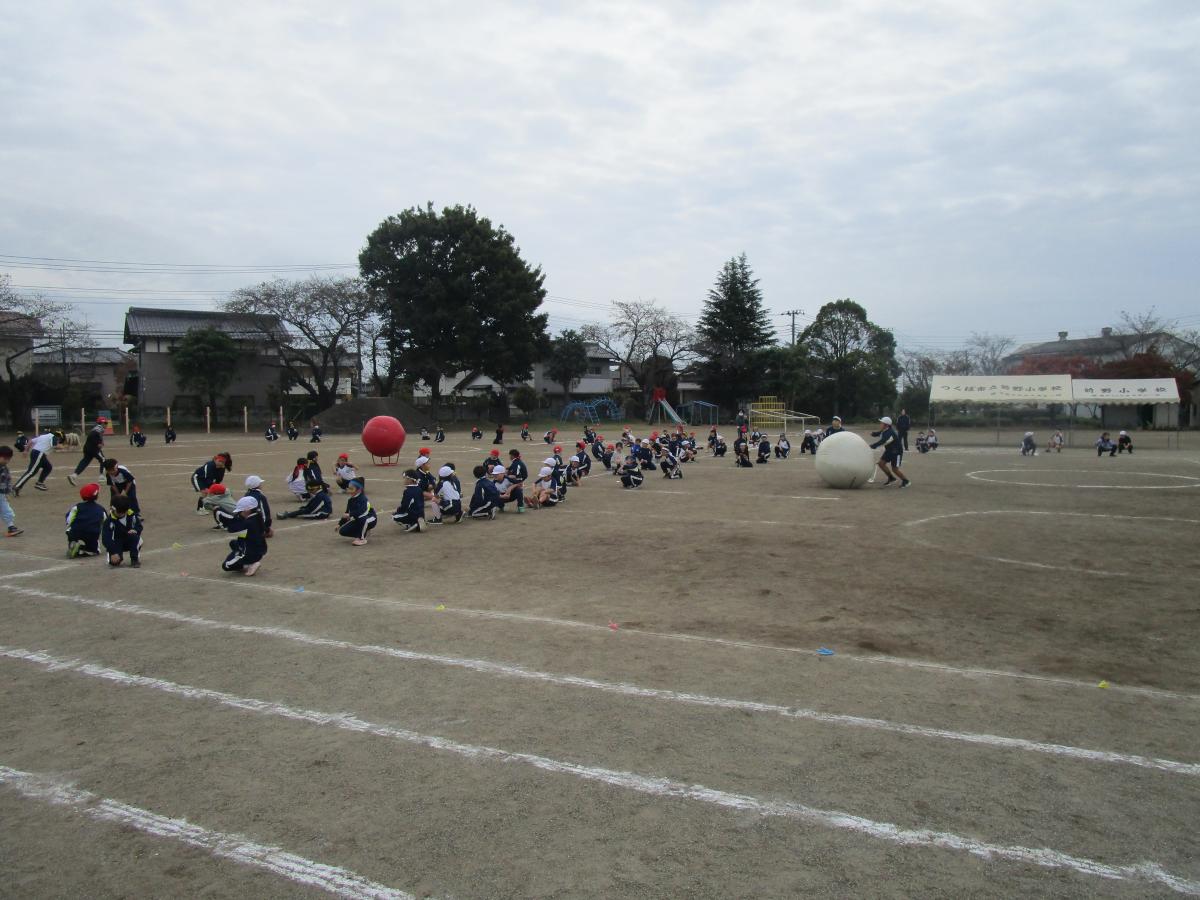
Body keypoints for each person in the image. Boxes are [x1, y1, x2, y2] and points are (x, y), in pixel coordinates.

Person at [222, 496, 267, 574]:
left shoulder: (247, 523)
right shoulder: (258, 516)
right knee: (233, 543)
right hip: (260, 549)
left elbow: (231, 529)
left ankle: (249, 564)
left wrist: (237, 519)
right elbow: (242, 535)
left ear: (247, 510)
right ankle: (246, 561)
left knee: (226, 565)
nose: (240, 513)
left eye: (241, 511)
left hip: (250, 553)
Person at [102, 495, 144, 568]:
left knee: (136, 539)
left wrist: (135, 530)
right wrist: (113, 552)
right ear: (112, 509)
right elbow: (106, 539)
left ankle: (134, 559)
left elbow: (139, 526)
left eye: (124, 512)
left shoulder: (131, 515)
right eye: (119, 512)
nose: (121, 514)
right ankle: (115, 556)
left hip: (129, 539)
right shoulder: (109, 521)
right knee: (115, 562)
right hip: (116, 542)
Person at [65, 483, 106, 557]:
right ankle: (84, 549)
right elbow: (106, 523)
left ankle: (73, 543)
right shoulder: (100, 509)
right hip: (92, 533)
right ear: (96, 496)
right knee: (95, 551)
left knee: (70, 530)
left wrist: (70, 527)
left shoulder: (77, 507)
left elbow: (69, 520)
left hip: (76, 531)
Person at [870, 416, 910, 488]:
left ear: (886, 425)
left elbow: (883, 441)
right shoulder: (885, 430)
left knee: (894, 469)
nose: (880, 424)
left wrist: (873, 446)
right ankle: (891, 478)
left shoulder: (890, 433)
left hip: (897, 452)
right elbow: (880, 433)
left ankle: (906, 481)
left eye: (882, 423)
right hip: (889, 450)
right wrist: (874, 434)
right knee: (881, 464)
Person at [13, 429, 54, 495]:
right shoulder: (53, 436)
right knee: (31, 472)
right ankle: (16, 487)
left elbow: (30, 441)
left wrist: (26, 450)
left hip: (37, 453)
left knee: (48, 467)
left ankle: (39, 483)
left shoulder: (42, 436)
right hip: (39, 454)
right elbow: (57, 446)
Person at [67, 417, 107, 485]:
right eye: (105, 423)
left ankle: (74, 475)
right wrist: (98, 443)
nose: (106, 424)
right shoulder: (100, 428)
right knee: (103, 460)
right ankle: (101, 477)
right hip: (94, 448)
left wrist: (99, 441)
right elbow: (93, 435)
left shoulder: (95, 428)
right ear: (102, 423)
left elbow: (91, 435)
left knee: (85, 461)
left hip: (87, 447)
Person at [337, 479, 377, 546]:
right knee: (343, 531)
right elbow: (347, 512)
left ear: (359, 490)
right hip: (359, 519)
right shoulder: (350, 500)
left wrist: (350, 515)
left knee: (363, 519)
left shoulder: (363, 499)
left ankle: (361, 539)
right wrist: (340, 524)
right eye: (348, 488)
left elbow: (362, 511)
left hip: (370, 518)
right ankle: (363, 533)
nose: (349, 491)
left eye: (351, 489)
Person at [0, 446, 22, 536]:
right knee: (5, 508)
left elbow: (7, 479)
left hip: (1, 493)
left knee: (6, 509)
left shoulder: (4, 467)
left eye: (8, 459)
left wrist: (8, 489)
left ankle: (11, 527)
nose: (6, 461)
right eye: (5, 459)